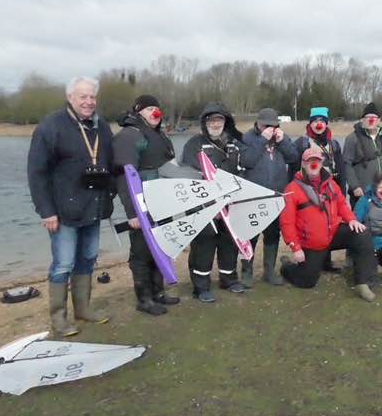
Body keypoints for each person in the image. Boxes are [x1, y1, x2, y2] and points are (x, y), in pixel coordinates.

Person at [27, 76, 113, 336]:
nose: (89, 101)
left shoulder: (102, 126)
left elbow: (111, 164)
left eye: (92, 96)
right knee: (63, 264)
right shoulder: (50, 126)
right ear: (70, 97)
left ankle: (83, 309)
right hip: (63, 211)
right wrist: (46, 211)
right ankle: (59, 318)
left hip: (93, 207)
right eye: (82, 96)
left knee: (87, 259)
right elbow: (36, 174)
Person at [279, 147, 378, 302]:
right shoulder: (292, 189)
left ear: (321, 163)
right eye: (309, 161)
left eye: (317, 161)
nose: (314, 164)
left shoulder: (331, 184)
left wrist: (351, 219)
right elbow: (287, 222)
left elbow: (342, 204)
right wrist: (296, 248)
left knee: (362, 234)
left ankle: (363, 282)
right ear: (303, 164)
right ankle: (286, 266)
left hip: (333, 233)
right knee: (307, 281)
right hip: (313, 243)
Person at [113, 95, 180, 316]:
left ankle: (158, 292)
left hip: (162, 203)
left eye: (156, 109)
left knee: (159, 247)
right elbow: (123, 177)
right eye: (149, 109)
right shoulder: (129, 136)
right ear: (138, 111)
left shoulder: (159, 135)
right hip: (141, 205)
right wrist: (132, 213)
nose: (155, 113)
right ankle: (144, 299)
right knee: (141, 252)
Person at [181, 102, 246, 302]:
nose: (215, 124)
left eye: (219, 120)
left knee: (230, 242)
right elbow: (189, 177)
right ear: (205, 122)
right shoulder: (194, 144)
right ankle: (201, 287)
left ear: (225, 122)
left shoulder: (234, 145)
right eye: (211, 120)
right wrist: (211, 203)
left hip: (230, 203)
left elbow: (241, 173)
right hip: (204, 205)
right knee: (204, 245)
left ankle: (229, 279)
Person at [240, 108, 298, 287]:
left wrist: (283, 142)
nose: (270, 129)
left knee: (272, 234)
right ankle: (246, 273)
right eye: (266, 125)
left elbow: (293, 157)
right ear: (258, 123)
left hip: (276, 195)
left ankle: (269, 272)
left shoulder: (281, 137)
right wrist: (262, 140)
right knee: (250, 235)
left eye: (273, 126)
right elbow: (246, 161)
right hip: (254, 195)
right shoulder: (247, 138)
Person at [291, 106, 346, 272]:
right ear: (310, 124)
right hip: (307, 191)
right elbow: (293, 170)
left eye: (322, 120)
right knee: (312, 226)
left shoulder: (334, 144)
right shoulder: (301, 143)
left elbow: (341, 169)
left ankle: (326, 262)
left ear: (327, 123)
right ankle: (306, 260)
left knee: (329, 223)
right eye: (315, 121)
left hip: (329, 189)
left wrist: (342, 192)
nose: (318, 124)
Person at [343, 102, 382, 207]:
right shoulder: (352, 138)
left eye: (374, 117)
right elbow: (346, 164)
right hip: (362, 192)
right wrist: (355, 186)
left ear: (379, 120)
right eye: (368, 117)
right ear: (362, 119)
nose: (371, 120)